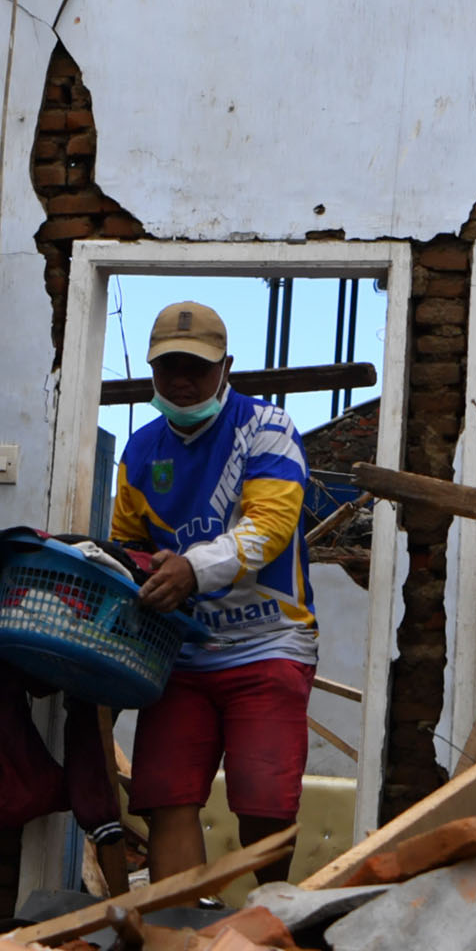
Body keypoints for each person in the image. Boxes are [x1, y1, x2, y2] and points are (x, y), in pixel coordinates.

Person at [103, 301, 314, 882]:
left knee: (265, 805)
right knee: (166, 797)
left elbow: (269, 528)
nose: (182, 380)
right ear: (152, 370)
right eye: (169, 366)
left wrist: (190, 570)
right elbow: (126, 546)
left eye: (197, 366)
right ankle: (178, 928)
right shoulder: (140, 451)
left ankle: (271, 918)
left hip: (269, 643)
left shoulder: (268, 429)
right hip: (178, 654)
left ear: (227, 367)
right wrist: (136, 573)